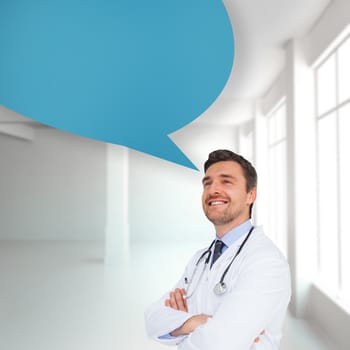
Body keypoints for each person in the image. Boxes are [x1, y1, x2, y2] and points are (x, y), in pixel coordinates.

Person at [144, 150, 291, 350]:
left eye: (226, 181)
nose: (213, 189)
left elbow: (220, 343)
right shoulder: (200, 259)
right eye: (207, 183)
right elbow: (152, 318)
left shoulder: (266, 262)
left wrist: (180, 327)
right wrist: (196, 321)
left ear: (251, 195)